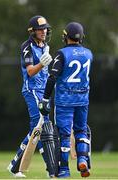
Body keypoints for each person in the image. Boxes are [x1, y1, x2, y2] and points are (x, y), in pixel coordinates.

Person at [39, 22, 93, 178]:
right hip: (83, 99)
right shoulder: (89, 53)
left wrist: (45, 98)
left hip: (65, 101)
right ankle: (82, 158)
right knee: (81, 131)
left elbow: (52, 77)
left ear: (66, 36)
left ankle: (64, 170)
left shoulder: (61, 54)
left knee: (63, 135)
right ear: (81, 37)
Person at [7, 15, 57, 178]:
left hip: (44, 91)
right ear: (32, 31)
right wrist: (42, 63)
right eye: (40, 29)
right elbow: (29, 72)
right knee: (44, 127)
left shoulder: (45, 45)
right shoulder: (27, 46)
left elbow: (45, 71)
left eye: (45, 29)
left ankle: (15, 166)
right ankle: (52, 170)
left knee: (36, 129)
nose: (44, 31)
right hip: (32, 90)